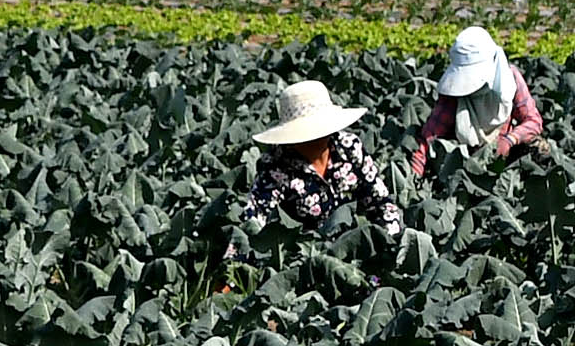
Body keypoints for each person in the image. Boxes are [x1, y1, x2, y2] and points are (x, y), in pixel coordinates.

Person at [228, 79, 407, 263]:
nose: (314, 137)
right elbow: (254, 219)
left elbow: (381, 203)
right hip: (306, 261)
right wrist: (234, 267)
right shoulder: (275, 165)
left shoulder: (349, 148)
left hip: (356, 252)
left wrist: (391, 245)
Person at [412, 26, 545, 178]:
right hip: (464, 164)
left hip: (502, 155)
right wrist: (414, 178)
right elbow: (428, 139)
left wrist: (510, 140)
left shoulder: (509, 80)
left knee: (541, 147)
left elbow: (533, 121)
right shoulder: (453, 95)